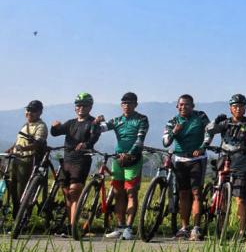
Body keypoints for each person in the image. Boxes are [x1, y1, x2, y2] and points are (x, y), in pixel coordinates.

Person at [95, 92, 149, 240]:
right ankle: (120, 226)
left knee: (131, 192)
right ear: (121, 105)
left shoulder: (141, 119)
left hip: (133, 159)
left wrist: (130, 153)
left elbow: (140, 140)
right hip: (118, 159)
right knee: (118, 193)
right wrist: (96, 122)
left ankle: (129, 229)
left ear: (136, 104)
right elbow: (102, 128)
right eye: (124, 103)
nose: (126, 105)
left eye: (130, 103)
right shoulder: (117, 120)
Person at [205, 94, 246, 238]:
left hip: (242, 164)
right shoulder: (225, 123)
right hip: (224, 162)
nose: (238, 109)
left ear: (245, 108)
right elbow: (209, 130)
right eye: (235, 106)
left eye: (241, 106)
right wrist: (215, 121)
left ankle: (241, 231)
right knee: (221, 196)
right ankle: (220, 225)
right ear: (230, 108)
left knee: (241, 199)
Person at [162, 94, 211, 241]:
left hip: (197, 159)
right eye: (181, 105)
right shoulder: (172, 121)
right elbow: (165, 142)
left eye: (187, 104)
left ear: (193, 106)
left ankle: (196, 228)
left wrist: (203, 147)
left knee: (196, 193)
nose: (184, 107)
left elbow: (209, 132)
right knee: (183, 194)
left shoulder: (201, 116)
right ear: (177, 106)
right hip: (180, 159)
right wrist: (174, 132)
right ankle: (184, 227)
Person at [50, 92, 101, 231]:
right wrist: (54, 126)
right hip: (67, 160)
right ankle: (69, 224)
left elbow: (94, 137)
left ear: (90, 107)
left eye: (85, 105)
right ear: (75, 107)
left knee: (74, 193)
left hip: (81, 161)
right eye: (78, 105)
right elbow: (55, 133)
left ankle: (72, 226)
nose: (81, 108)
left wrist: (86, 144)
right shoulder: (71, 123)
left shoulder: (93, 122)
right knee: (67, 194)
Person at [7, 100, 48, 214]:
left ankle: (22, 218)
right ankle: (15, 215)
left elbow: (38, 143)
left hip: (27, 160)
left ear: (40, 112)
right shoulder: (26, 125)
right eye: (28, 110)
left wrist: (23, 149)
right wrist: (11, 149)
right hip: (16, 159)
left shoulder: (41, 126)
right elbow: (20, 141)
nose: (30, 113)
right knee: (12, 188)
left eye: (33, 111)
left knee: (22, 191)